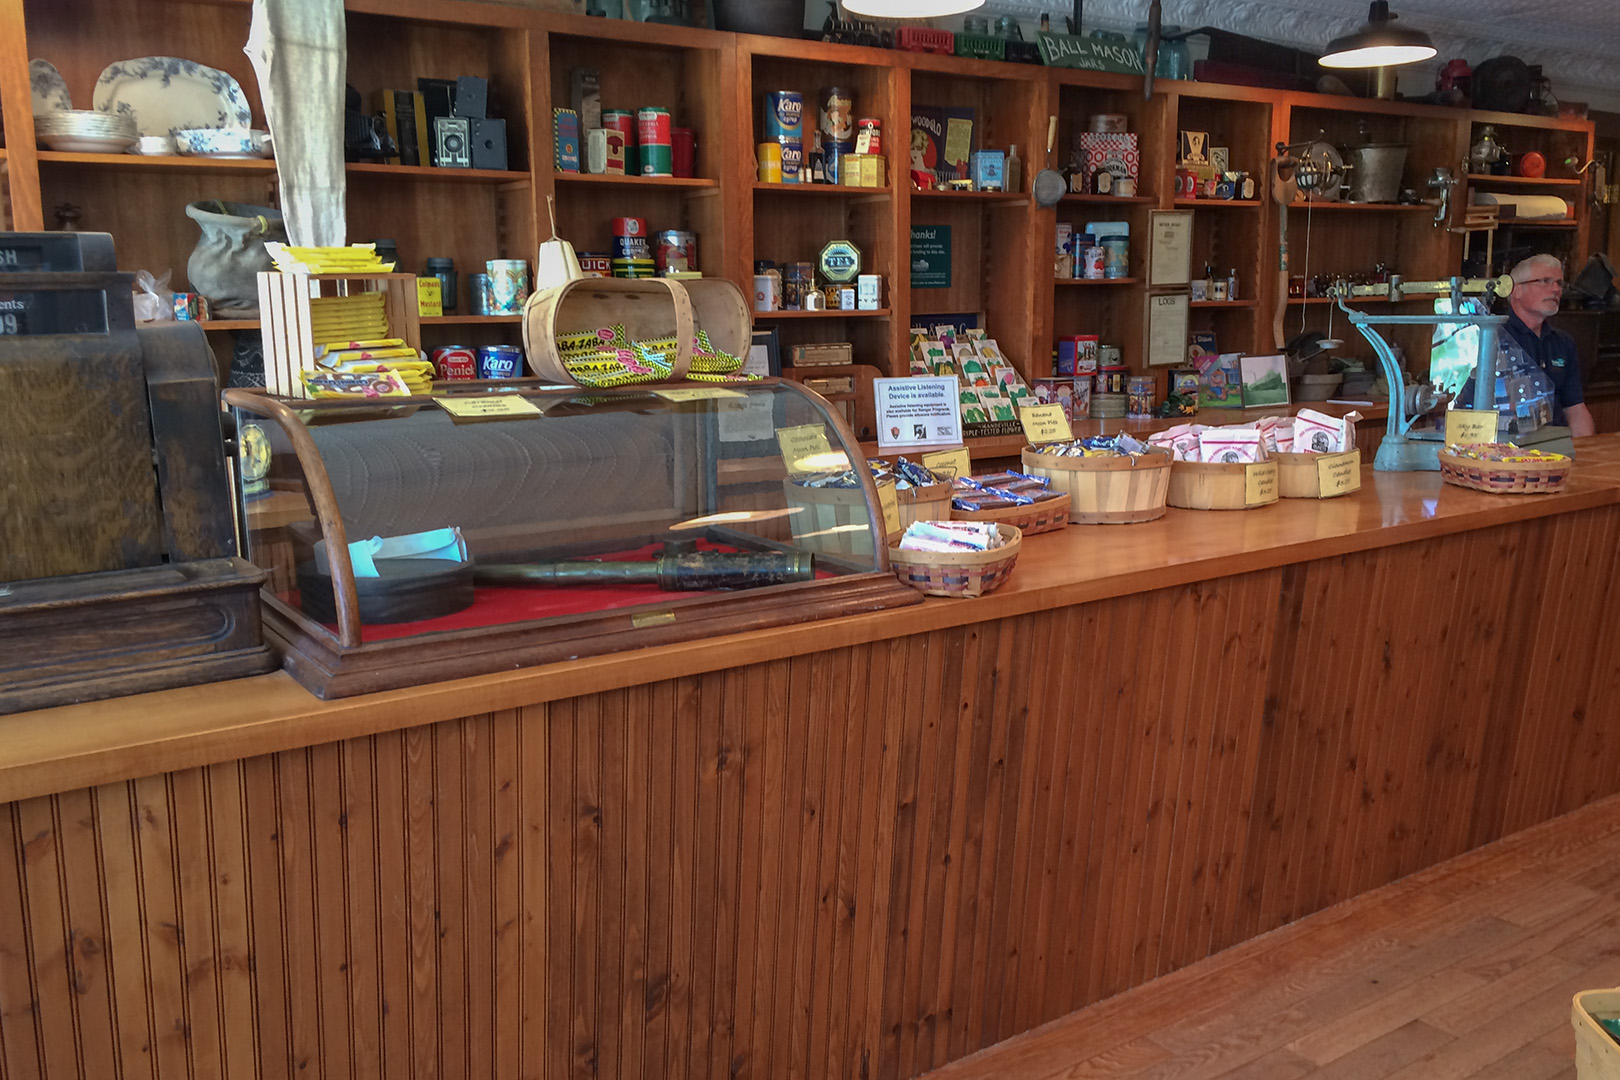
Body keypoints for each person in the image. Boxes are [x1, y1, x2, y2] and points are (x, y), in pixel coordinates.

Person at [1497, 254, 1596, 437]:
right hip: (1506, 444)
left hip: (1555, 444)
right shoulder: (1493, 337)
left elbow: (1575, 409)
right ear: (1516, 290)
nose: (1556, 289)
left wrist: (1587, 449)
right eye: (1545, 281)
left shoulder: (1563, 342)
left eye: (1559, 283)